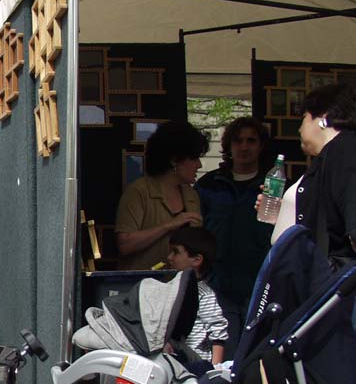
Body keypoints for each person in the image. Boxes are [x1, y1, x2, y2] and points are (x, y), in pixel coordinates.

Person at [196, 118, 274, 354]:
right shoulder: (209, 185)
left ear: (261, 146)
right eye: (238, 140)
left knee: (256, 355)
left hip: (259, 284)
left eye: (251, 140)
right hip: (218, 285)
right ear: (228, 146)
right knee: (223, 353)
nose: (244, 146)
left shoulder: (273, 187)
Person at [265, 83, 356, 262]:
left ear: (323, 118)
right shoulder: (329, 157)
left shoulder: (345, 148)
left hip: (329, 280)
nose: (299, 128)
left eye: (304, 117)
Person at [115, 120, 207, 270]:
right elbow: (125, 244)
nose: (199, 165)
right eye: (194, 158)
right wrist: (169, 225)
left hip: (180, 286)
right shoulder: (139, 191)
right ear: (174, 160)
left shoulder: (191, 195)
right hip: (143, 286)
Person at [166, 226, 228, 365]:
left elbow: (218, 334)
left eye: (175, 252)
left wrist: (214, 369)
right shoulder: (172, 287)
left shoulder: (203, 293)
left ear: (196, 259)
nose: (169, 257)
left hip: (195, 365)